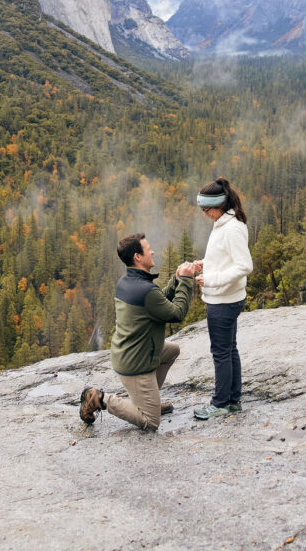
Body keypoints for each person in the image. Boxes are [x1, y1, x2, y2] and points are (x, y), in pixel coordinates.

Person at [79, 233, 194, 430]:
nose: (152, 251)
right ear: (137, 257)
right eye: (148, 248)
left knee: (171, 350)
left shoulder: (130, 282)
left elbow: (159, 302)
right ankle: (98, 398)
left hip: (130, 352)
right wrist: (185, 281)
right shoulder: (144, 289)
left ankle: (150, 401)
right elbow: (176, 313)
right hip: (135, 363)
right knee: (150, 422)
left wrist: (176, 280)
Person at [192, 178, 253, 420]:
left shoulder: (231, 227)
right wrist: (205, 264)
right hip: (226, 297)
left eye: (207, 210)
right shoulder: (224, 223)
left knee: (221, 352)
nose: (205, 215)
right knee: (230, 349)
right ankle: (233, 400)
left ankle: (220, 403)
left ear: (220, 204)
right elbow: (225, 257)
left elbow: (244, 265)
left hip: (223, 300)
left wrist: (212, 279)